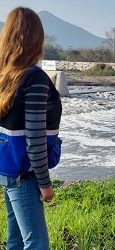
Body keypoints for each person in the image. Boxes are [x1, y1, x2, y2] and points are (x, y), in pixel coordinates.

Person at [0, 7, 62, 250]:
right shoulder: (34, 79)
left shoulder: (6, 75)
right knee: (36, 243)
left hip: (7, 168)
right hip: (24, 174)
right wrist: (45, 184)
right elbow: (34, 139)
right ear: (37, 39)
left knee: (16, 240)